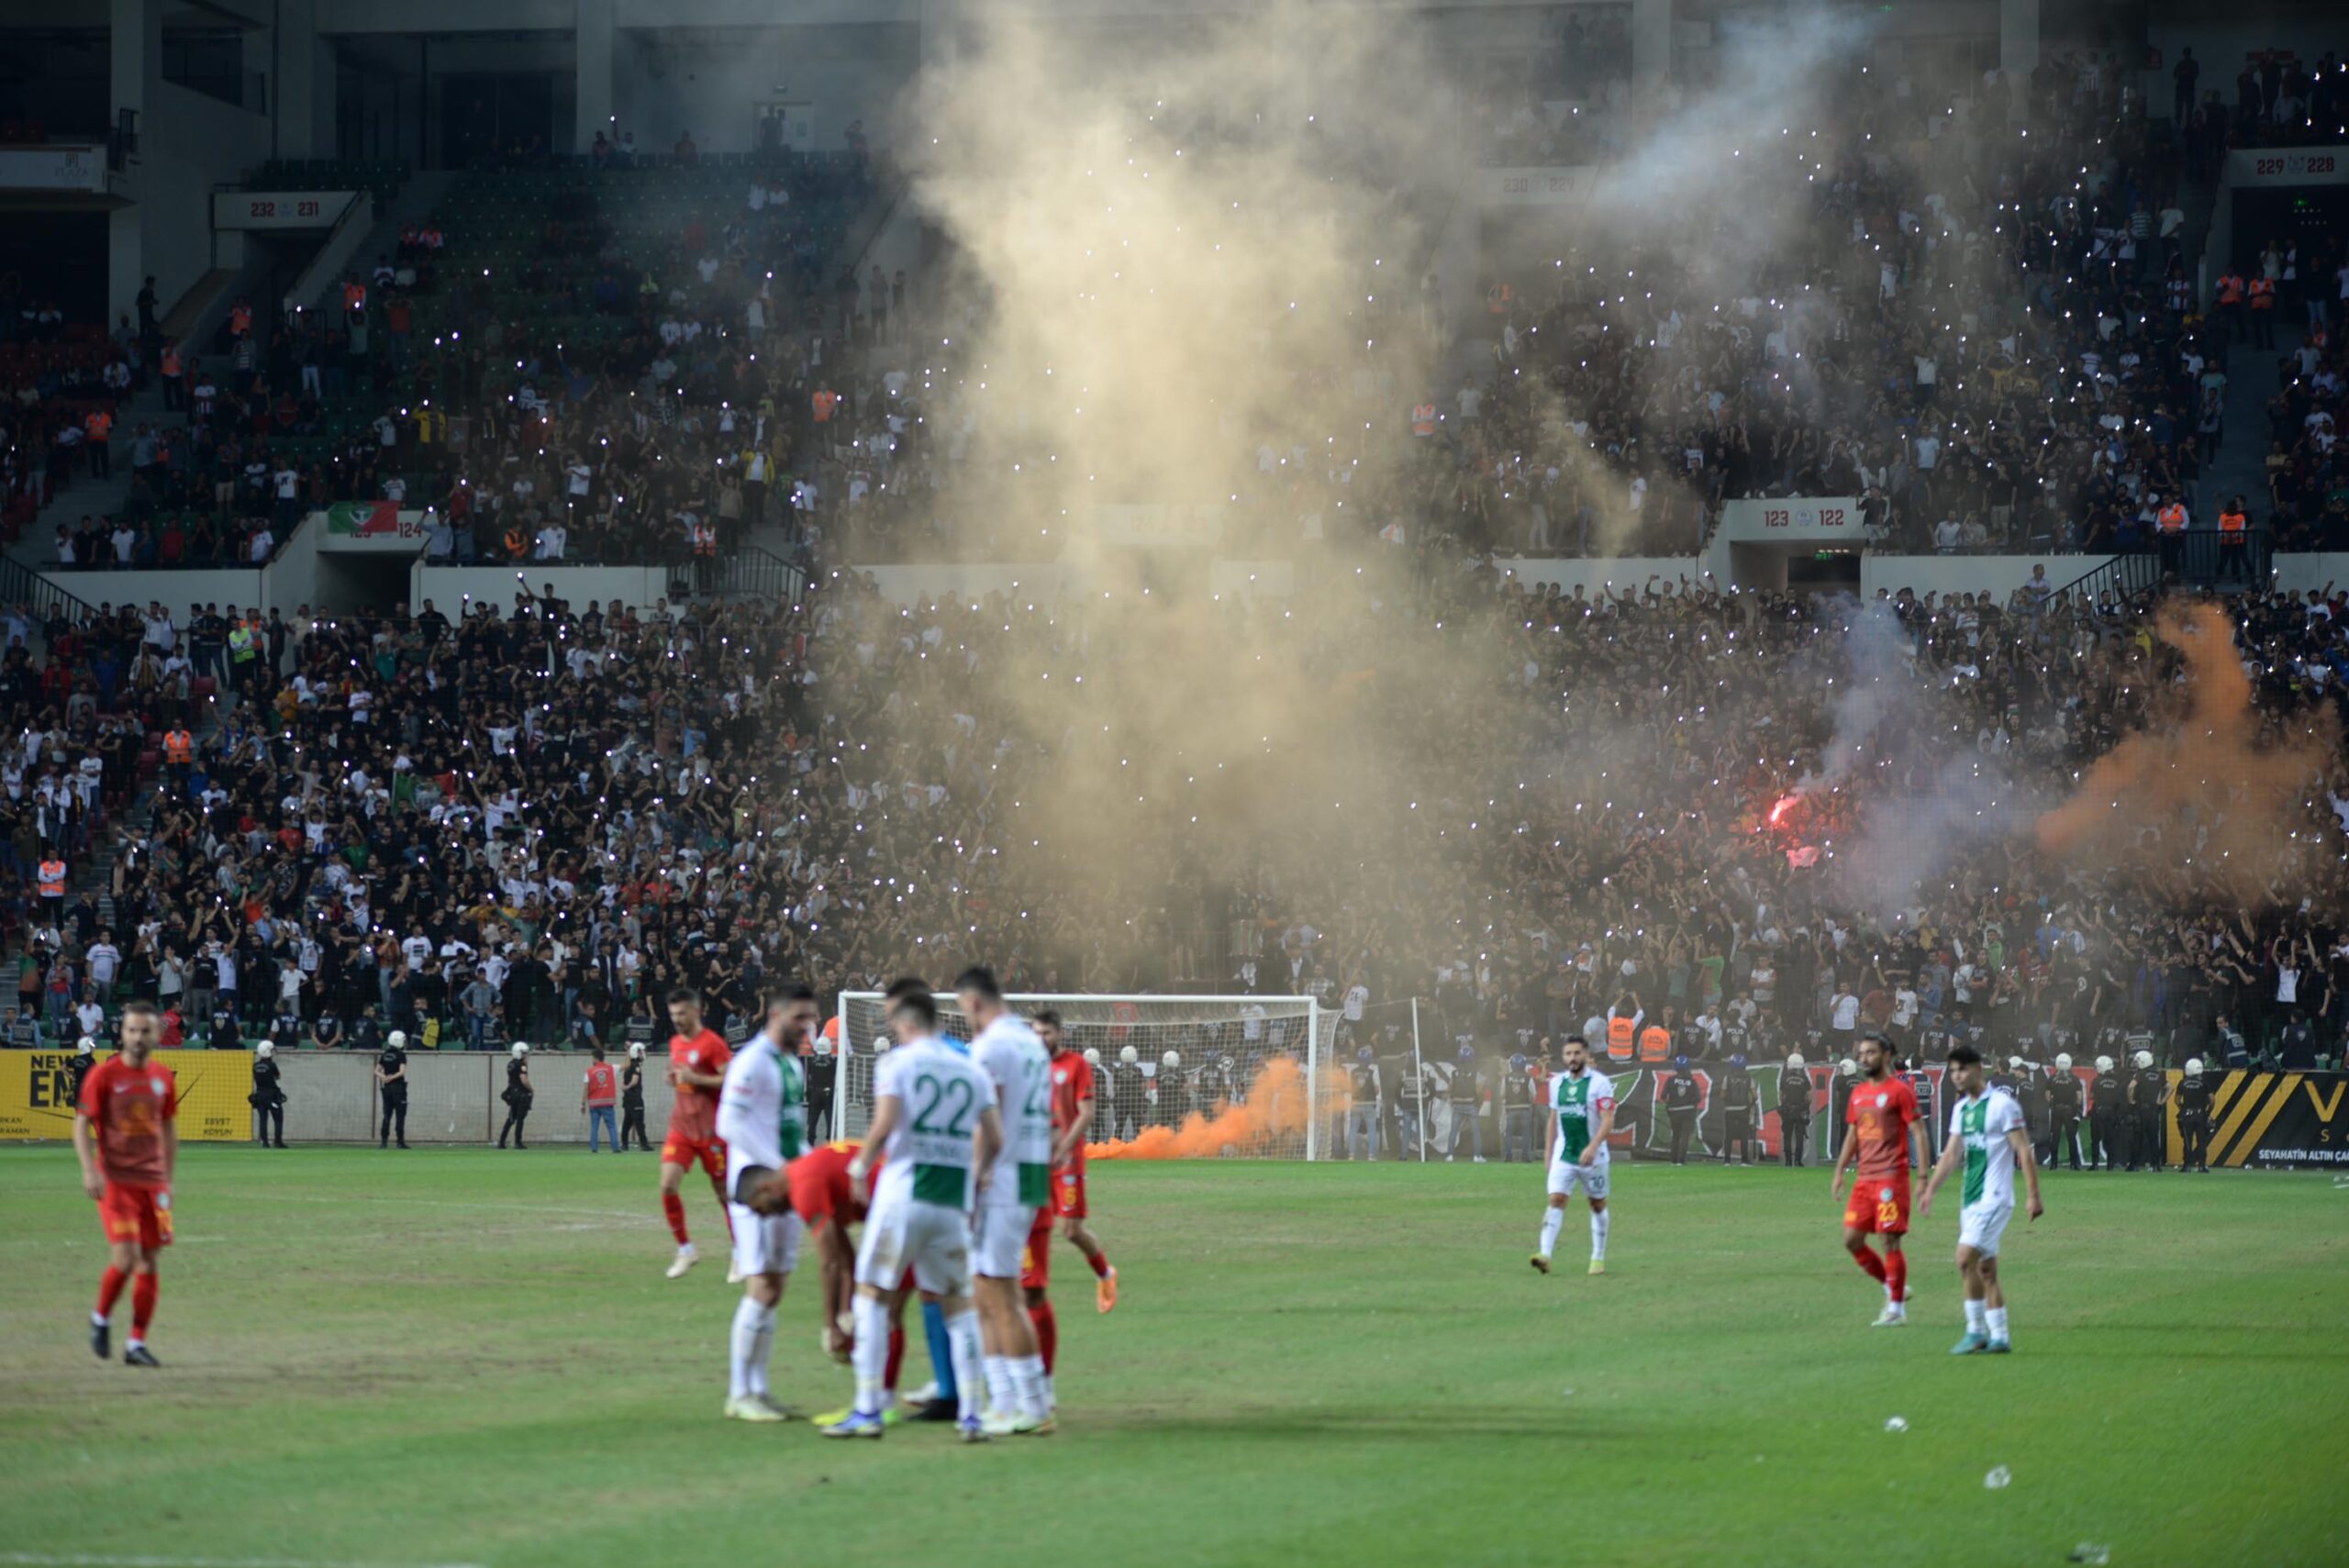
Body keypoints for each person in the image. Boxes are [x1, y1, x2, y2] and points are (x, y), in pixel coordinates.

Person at [826, 982, 1000, 1441]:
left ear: (905, 1023)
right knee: (959, 1306)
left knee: (872, 1298)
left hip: (904, 1197)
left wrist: (860, 1168)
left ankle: (867, 1409)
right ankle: (973, 1415)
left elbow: (884, 1124)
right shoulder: (970, 1066)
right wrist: (977, 1175)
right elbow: (995, 1138)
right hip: (952, 1203)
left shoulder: (897, 1062)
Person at [958, 966, 1054, 1435]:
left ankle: (1033, 1406)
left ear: (973, 1002)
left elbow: (986, 1120)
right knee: (987, 1291)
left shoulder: (992, 1047)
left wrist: (973, 1180)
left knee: (999, 1294)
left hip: (1003, 1178)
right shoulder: (1030, 1042)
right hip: (1030, 1171)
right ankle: (1005, 1401)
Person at [713, 985, 816, 1422]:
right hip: (757, 1190)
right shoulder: (752, 1061)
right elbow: (729, 1122)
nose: (806, 1026)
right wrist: (779, 1167)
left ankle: (758, 1389)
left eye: (810, 1018)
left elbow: (791, 1130)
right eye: (799, 1018)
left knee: (775, 1288)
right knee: (760, 1286)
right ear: (775, 1014)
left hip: (786, 1185)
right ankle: (740, 1393)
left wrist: (815, 1165)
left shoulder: (790, 1062)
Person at [1919, 1044, 2043, 1354]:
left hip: (1996, 1196)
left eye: (1962, 1069)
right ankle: (2000, 1335)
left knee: (1964, 1258)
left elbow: (2023, 1150)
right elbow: (1951, 1155)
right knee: (1986, 1270)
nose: (1957, 1076)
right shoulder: (1961, 1109)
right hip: (1970, 1198)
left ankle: (1975, 1332)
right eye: (1952, 1071)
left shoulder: (2003, 1105)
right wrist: (1931, 1189)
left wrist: (2033, 1195)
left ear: (1979, 1069)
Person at [75, 1001, 173, 1366]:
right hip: (115, 1180)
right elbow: (80, 1124)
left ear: (157, 1035)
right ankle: (101, 1317)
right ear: (122, 1033)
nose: (137, 1037)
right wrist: (90, 1170)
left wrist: (168, 1178)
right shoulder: (103, 1076)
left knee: (150, 1260)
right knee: (127, 1256)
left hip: (152, 1181)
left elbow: (168, 1128)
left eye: (145, 1031)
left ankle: (136, 1344)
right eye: (132, 1030)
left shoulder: (163, 1078)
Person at [1831, 1034, 1925, 1327]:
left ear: (1886, 1055)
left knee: (1889, 1241)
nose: (1864, 1058)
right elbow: (1853, 1134)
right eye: (1862, 1053)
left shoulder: (1899, 1091)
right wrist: (1839, 1170)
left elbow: (1919, 1132)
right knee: (1852, 1239)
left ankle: (1896, 1310)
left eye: (1871, 1052)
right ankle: (1892, 1286)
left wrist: (1922, 1175)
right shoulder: (1858, 1093)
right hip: (1864, 1178)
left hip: (1891, 1178)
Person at [1036, 1010, 1117, 1312]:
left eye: (1046, 1033)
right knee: (1028, 1222)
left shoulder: (1076, 1065)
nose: (1040, 1039)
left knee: (1070, 1230)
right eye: (1036, 1033)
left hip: (1067, 1161)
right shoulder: (1032, 1066)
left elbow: (1087, 1112)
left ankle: (1106, 1274)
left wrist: (1065, 1148)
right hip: (1035, 1160)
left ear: (1060, 1033)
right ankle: (1029, 1280)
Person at [658, 986, 735, 1279]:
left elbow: (730, 1079)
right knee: (667, 1185)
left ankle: (740, 1252)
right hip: (681, 1128)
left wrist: (696, 1078)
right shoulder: (675, 1042)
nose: (677, 1019)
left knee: (724, 1194)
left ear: (696, 1011)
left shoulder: (713, 1043)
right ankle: (686, 1250)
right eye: (673, 1014)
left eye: (681, 1013)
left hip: (712, 1131)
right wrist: (673, 1078)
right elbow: (678, 1072)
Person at [1530, 1034, 1614, 1277]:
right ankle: (1544, 1255)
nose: (1573, 1058)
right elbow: (1553, 1120)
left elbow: (1608, 1120)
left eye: (1577, 1053)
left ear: (1586, 1055)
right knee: (1556, 1200)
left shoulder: (1600, 1083)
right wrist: (1548, 1154)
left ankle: (1597, 1258)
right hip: (1563, 1156)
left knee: (1597, 1204)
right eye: (1568, 1054)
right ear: (1563, 1057)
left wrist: (1593, 1145)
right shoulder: (1557, 1083)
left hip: (1594, 1157)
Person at [1445, 1043, 1485, 1162]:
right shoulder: (1476, 1073)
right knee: (1476, 1132)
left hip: (1457, 1104)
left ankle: (1450, 1155)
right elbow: (1479, 1090)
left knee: (1453, 1131)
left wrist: (1451, 1100)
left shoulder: (1455, 1073)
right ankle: (1477, 1156)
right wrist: (1479, 1103)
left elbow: (1449, 1089)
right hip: (1471, 1104)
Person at [2128, 1049, 2165, 1171]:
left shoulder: (2140, 1074)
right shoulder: (2158, 1074)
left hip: (2142, 1110)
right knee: (2154, 1139)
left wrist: (2131, 1100)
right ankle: (2157, 1165)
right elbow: (2170, 1087)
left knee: (2137, 1139)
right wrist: (2161, 1101)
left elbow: (2131, 1087)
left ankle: (2133, 1165)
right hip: (2154, 1111)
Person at [2175, 1057, 2213, 1173]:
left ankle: (2187, 1166)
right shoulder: (2204, 1082)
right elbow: (2212, 1100)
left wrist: (2183, 1108)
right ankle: (2202, 1166)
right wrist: (2207, 1112)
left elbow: (2177, 1100)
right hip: (2201, 1114)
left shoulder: (2183, 1082)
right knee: (2201, 1142)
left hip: (2187, 1115)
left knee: (2187, 1141)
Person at [2047, 1053, 2084, 1171]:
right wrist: (2076, 1106)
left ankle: (2053, 1164)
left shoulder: (2052, 1078)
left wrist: (2053, 1103)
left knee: (2055, 1138)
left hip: (2056, 1109)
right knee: (2071, 1138)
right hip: (2070, 1110)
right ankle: (2074, 1164)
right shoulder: (2074, 1079)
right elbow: (2079, 1097)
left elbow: (2047, 1096)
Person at [1719, 1053, 1757, 1163]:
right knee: (1743, 1135)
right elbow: (1755, 1095)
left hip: (1730, 1110)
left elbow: (1722, 1095)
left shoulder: (1728, 1078)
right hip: (1744, 1110)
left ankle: (1727, 1160)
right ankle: (1744, 1161)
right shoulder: (1749, 1078)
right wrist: (1751, 1104)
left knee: (1729, 1135)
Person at [374, 1029, 410, 1149]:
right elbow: (402, 1072)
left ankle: (384, 1142)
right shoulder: (401, 1055)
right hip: (398, 1088)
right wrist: (392, 1077)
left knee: (387, 1114)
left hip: (387, 1089)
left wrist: (385, 1077)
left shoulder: (385, 1054)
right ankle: (400, 1141)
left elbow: (376, 1071)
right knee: (400, 1115)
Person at [2087, 1054, 2123, 1170]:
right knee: (2110, 1140)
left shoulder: (2097, 1080)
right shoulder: (2118, 1080)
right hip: (2112, 1112)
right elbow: (2120, 1097)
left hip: (2099, 1112)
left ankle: (2095, 1164)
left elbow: (2092, 1095)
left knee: (2095, 1140)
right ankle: (2110, 1165)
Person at [1662, 1056, 1700, 1164]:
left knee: (1675, 1135)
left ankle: (1673, 1160)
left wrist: (1669, 1104)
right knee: (1685, 1136)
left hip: (1674, 1112)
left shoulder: (1670, 1080)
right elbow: (1698, 1098)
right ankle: (1681, 1160)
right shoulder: (1692, 1082)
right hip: (1688, 1112)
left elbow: (1663, 1096)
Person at [1346, 1044, 1381, 1159]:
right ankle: (1371, 1155)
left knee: (1353, 1130)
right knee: (1371, 1130)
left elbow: (1350, 1089)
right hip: (1369, 1103)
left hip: (1356, 1103)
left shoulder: (1352, 1072)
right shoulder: (1373, 1072)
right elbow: (1377, 1090)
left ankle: (1351, 1155)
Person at [1500, 1053, 1537, 1162]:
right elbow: (1534, 1094)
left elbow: (1502, 1093)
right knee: (1525, 1133)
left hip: (1510, 1108)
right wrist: (1529, 1102)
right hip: (1525, 1107)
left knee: (1509, 1133)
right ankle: (1525, 1156)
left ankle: (1508, 1155)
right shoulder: (1528, 1077)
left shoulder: (1506, 1078)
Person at [582, 1046, 618, 1151]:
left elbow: (585, 1089)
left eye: (592, 1058)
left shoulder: (589, 1071)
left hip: (594, 1104)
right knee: (611, 1126)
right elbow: (626, 1066)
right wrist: (629, 1053)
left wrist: (583, 1104)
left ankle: (594, 1148)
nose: (592, 1060)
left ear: (596, 1058)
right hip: (607, 1103)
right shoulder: (611, 1068)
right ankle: (615, 1148)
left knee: (594, 1127)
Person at [1777, 1052, 1812, 1167]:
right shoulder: (1804, 1079)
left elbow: (1781, 1095)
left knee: (1787, 1136)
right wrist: (1805, 1107)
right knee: (1799, 1137)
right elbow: (1809, 1096)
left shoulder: (1784, 1079)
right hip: (1800, 1111)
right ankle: (1798, 1161)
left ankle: (1788, 1161)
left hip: (1787, 1110)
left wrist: (1783, 1106)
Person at [496, 1042, 533, 1148]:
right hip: (521, 1094)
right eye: (524, 1053)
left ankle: (501, 1141)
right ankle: (518, 1142)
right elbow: (524, 1080)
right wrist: (531, 1089)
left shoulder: (510, 1064)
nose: (526, 1055)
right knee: (520, 1119)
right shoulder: (521, 1065)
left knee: (511, 1119)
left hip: (512, 1093)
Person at [250, 1040, 286, 1147]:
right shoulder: (272, 1065)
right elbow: (277, 1076)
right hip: (272, 1095)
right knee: (278, 1118)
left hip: (260, 1094)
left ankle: (265, 1143)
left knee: (262, 1119)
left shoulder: (255, 1065)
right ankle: (278, 1142)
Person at [619, 1041, 651, 1151]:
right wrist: (628, 1087)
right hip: (635, 1098)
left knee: (627, 1122)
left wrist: (624, 1087)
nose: (643, 1054)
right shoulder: (636, 1066)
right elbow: (634, 1081)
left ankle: (624, 1144)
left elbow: (623, 1082)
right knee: (639, 1122)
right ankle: (644, 1144)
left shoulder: (628, 1067)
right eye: (641, 1052)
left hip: (627, 1099)